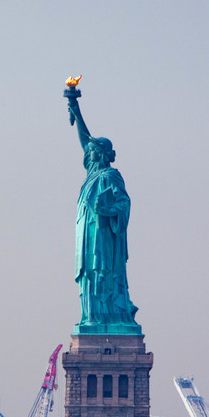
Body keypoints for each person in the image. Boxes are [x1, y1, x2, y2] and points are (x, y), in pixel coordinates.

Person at [65, 92, 140, 331]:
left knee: (103, 273)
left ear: (103, 154)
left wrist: (106, 209)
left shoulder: (110, 176)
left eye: (94, 150)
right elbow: (85, 140)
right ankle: (92, 317)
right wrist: (76, 109)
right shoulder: (92, 175)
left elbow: (124, 204)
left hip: (104, 239)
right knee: (89, 274)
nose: (89, 152)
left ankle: (108, 317)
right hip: (88, 238)